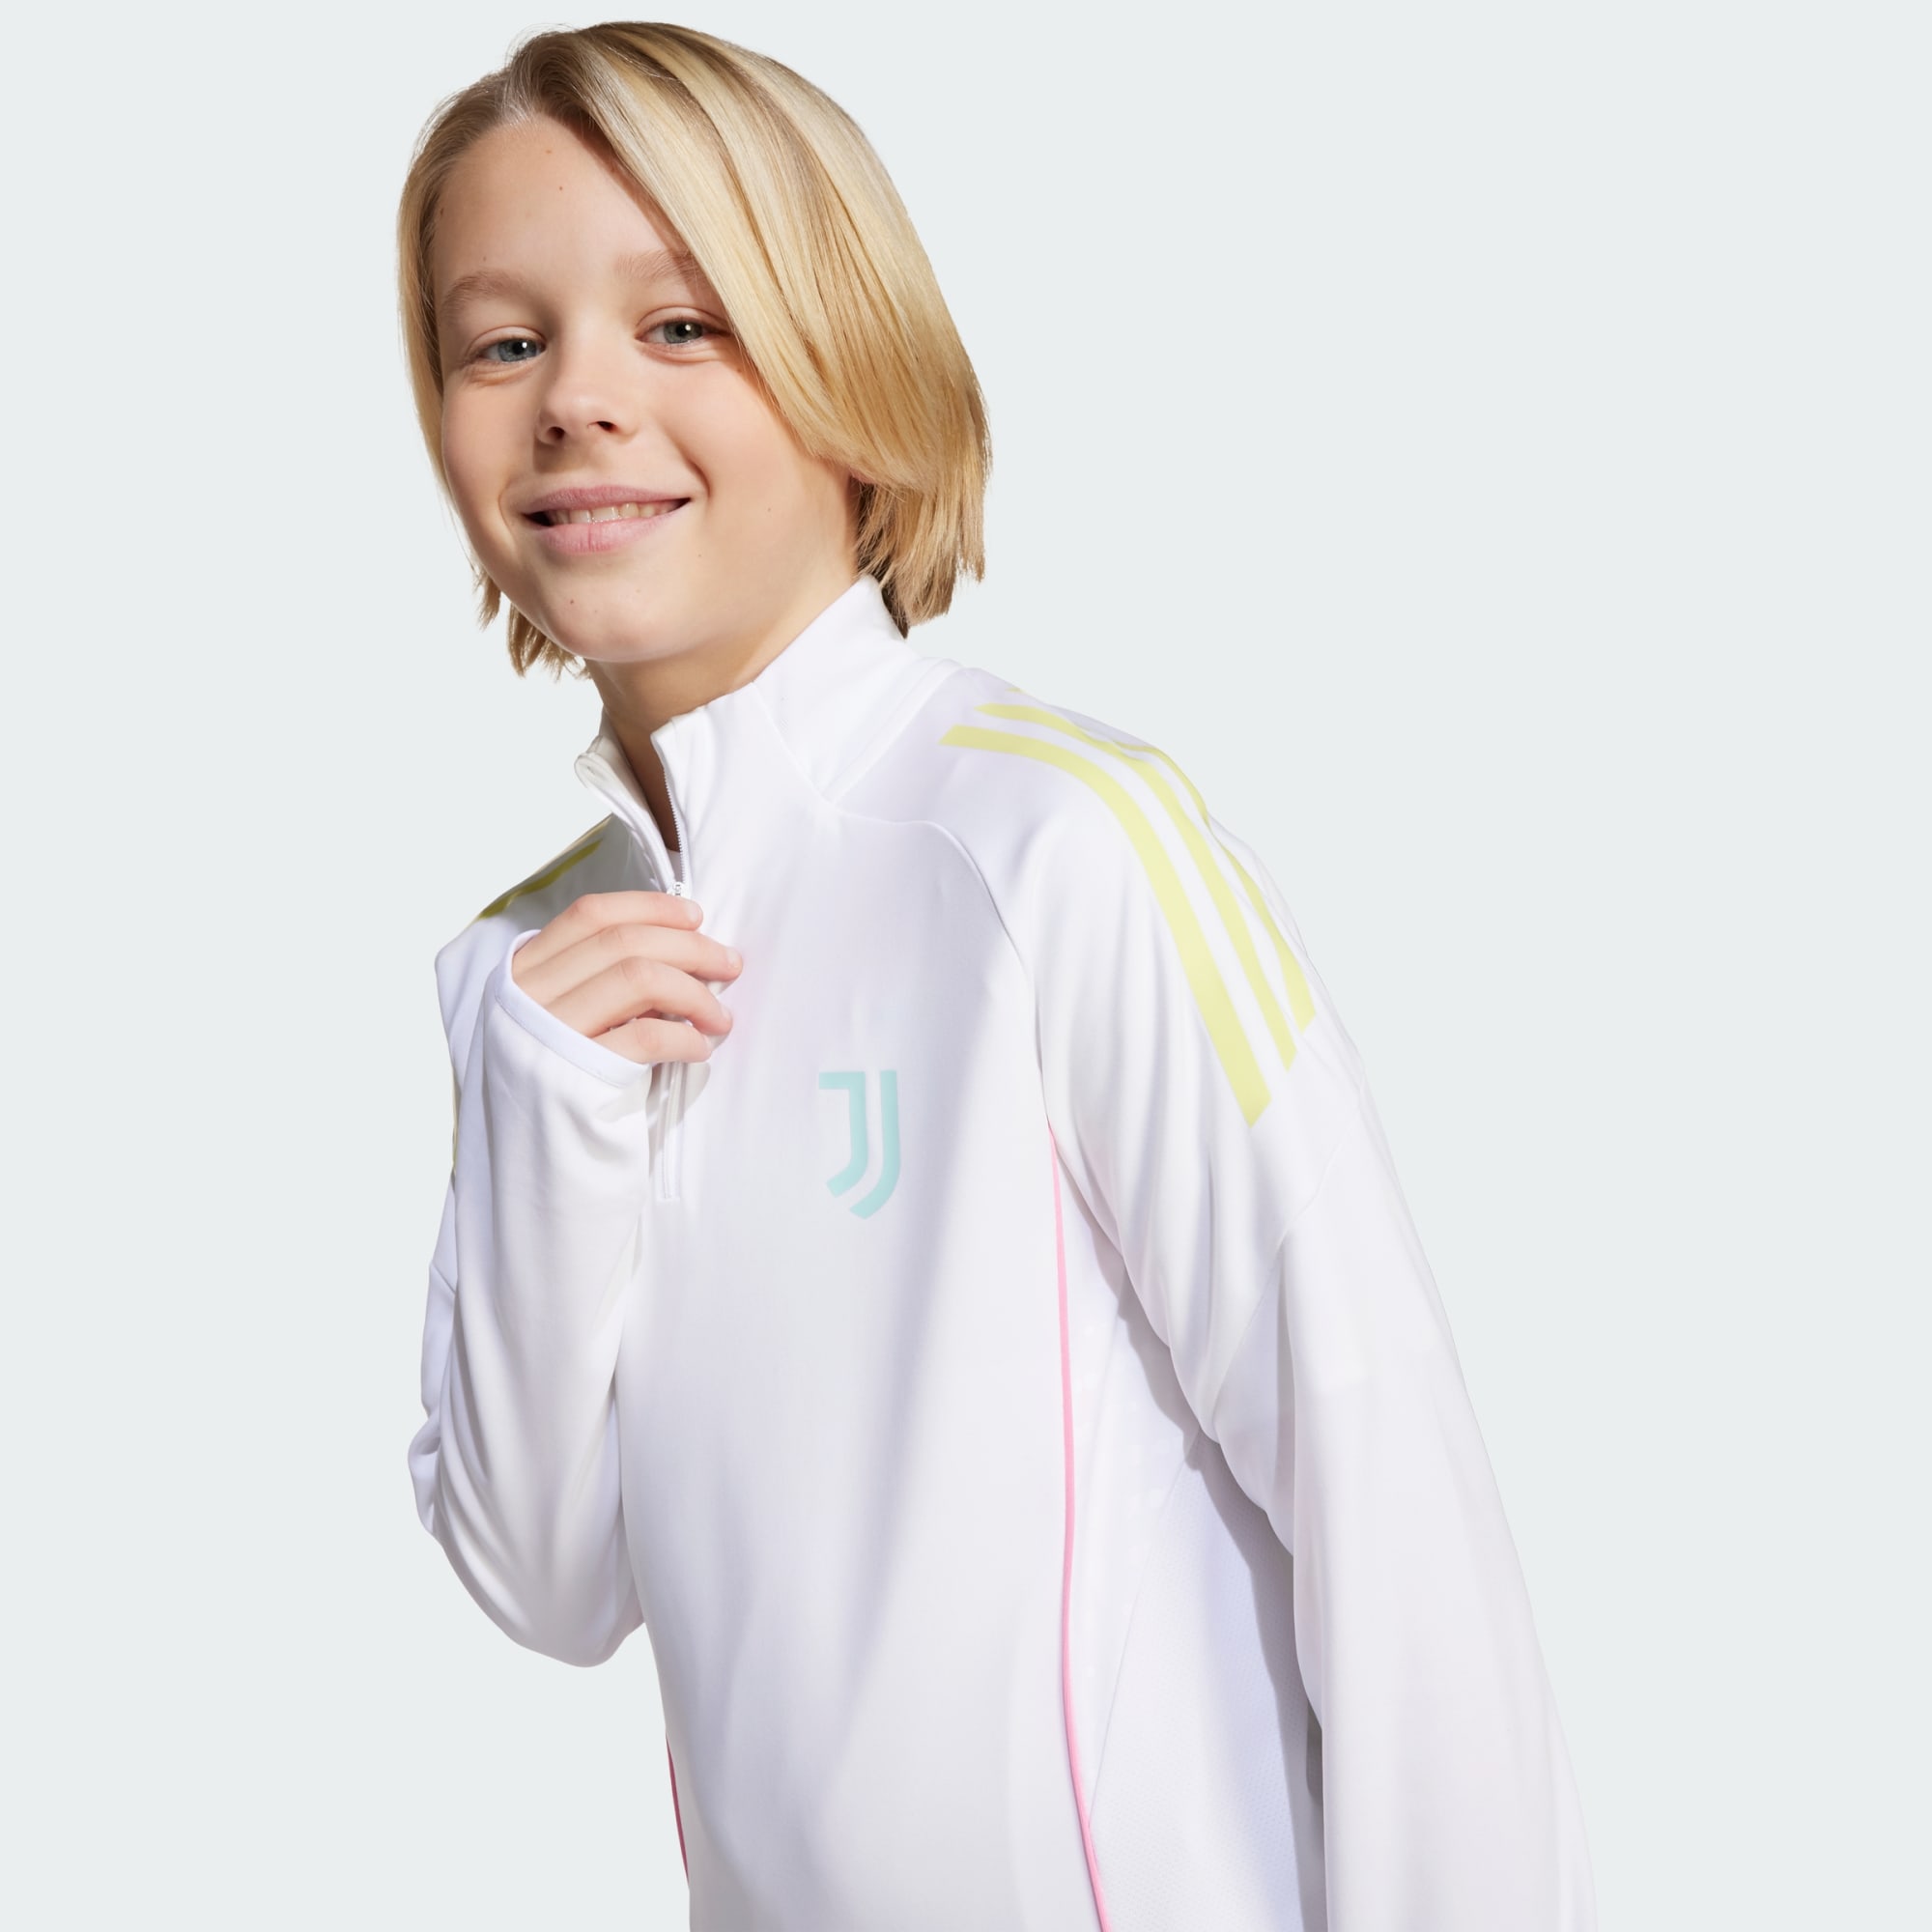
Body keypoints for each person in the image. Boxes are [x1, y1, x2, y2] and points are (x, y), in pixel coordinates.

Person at [399, 22, 1597, 1929]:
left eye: (684, 323)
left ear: (850, 362)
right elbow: (550, 1580)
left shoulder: (1049, 844)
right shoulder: (531, 969)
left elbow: (1390, 1497)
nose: (580, 402)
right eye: (502, 342)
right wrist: (549, 1115)